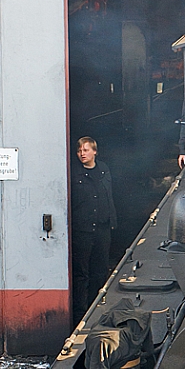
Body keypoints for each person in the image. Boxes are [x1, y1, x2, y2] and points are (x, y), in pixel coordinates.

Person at [71, 136, 117, 325]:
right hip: (83, 229)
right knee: (82, 273)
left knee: (100, 271)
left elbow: (109, 197)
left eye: (86, 150)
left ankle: (96, 311)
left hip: (102, 228)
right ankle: (80, 314)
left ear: (95, 152)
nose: (82, 154)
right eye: (80, 151)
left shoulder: (104, 169)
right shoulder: (74, 173)